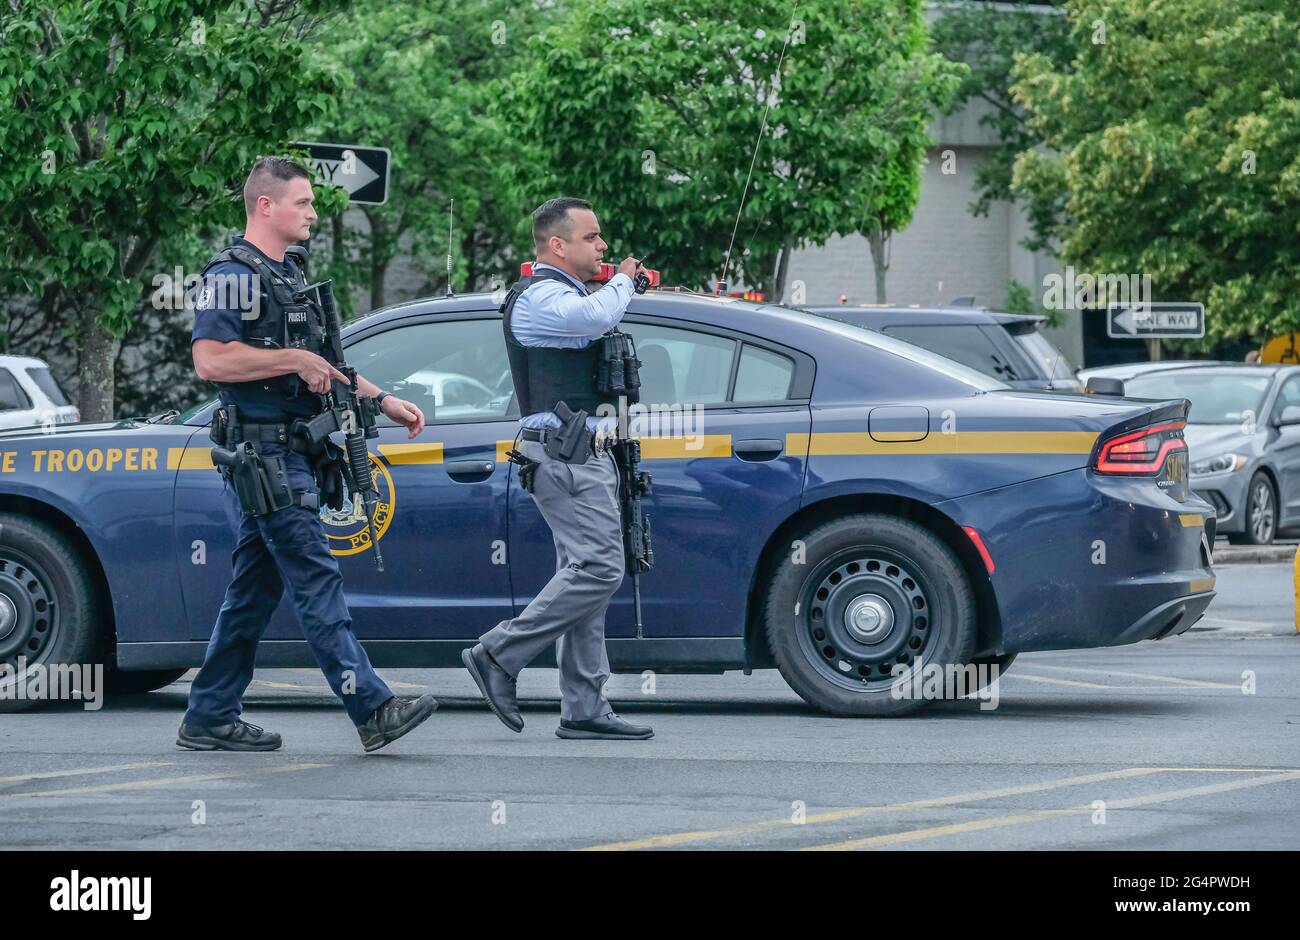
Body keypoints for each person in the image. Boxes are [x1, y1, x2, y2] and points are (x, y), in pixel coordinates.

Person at [178, 156, 435, 753]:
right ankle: (372, 708)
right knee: (317, 579)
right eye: (303, 203)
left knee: (252, 593)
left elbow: (326, 362)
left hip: (293, 454)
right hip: (265, 458)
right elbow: (211, 360)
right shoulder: (233, 276)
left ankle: (210, 714)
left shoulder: (289, 274)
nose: (314, 213)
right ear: (266, 206)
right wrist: (292, 361)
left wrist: (383, 400)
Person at [461, 197, 653, 740]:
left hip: (583, 452)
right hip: (565, 454)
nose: (604, 247)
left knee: (584, 576)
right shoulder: (541, 297)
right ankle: (498, 653)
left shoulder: (571, 293)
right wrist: (625, 280)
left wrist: (615, 284)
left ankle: (584, 706)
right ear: (557, 245)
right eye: (593, 238)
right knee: (599, 569)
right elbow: (593, 317)